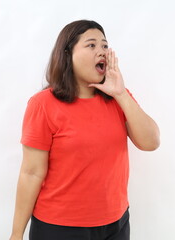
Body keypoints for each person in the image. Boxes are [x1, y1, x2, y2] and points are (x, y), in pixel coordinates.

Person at [9, 20, 160, 240]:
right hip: (59, 228)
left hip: (116, 223)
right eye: (91, 45)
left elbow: (151, 142)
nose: (102, 51)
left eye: (105, 46)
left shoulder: (119, 98)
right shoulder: (43, 104)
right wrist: (16, 233)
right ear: (67, 54)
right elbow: (31, 173)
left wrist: (121, 94)